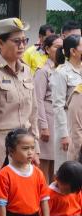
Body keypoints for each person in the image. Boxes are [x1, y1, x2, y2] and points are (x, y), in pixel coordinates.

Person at [0, 17, 39, 195]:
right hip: (0, 146)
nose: (22, 46)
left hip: (24, 145)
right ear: (0, 43)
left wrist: (35, 148)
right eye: (16, 41)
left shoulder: (26, 71)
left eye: (24, 41)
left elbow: (33, 112)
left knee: (19, 196)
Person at [51, 34, 82, 170]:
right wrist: (64, 134)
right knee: (68, 170)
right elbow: (58, 105)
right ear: (73, 51)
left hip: (80, 125)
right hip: (68, 127)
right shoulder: (61, 73)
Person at [34, 34, 62, 182]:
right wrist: (43, 126)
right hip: (48, 121)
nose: (61, 50)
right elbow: (37, 100)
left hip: (60, 121)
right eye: (57, 47)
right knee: (45, 165)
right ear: (47, 49)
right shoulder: (43, 71)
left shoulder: (63, 70)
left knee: (58, 164)